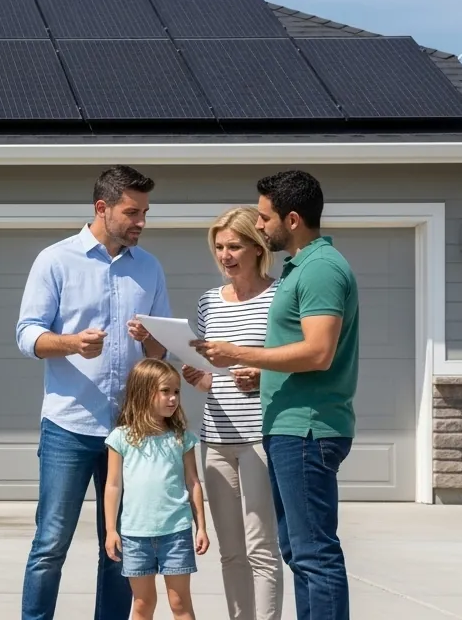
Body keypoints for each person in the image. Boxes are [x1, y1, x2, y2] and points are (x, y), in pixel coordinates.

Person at [192, 170, 359, 620]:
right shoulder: (302, 269)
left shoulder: (320, 269)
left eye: (264, 218)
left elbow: (319, 352)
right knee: (299, 552)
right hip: (287, 426)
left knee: (312, 553)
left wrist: (237, 354)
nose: (260, 227)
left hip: (306, 425)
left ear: (291, 219)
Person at [16, 164, 172, 620]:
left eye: (145, 212)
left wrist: (150, 336)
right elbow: (27, 335)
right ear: (101, 209)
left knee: (120, 548)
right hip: (69, 426)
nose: (141, 221)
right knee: (50, 544)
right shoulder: (55, 260)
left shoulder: (150, 267)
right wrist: (71, 344)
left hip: (130, 434)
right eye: (132, 212)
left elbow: (161, 349)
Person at [182, 206, 283, 620]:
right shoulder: (209, 302)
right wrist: (197, 377)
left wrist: (262, 376)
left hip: (260, 438)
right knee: (231, 552)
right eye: (219, 247)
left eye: (234, 246)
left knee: (262, 549)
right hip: (216, 440)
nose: (225, 255)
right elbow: (212, 378)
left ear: (257, 248)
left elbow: (289, 362)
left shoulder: (279, 297)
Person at [103, 358, 209, 620]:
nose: (173, 398)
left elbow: (193, 482)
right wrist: (110, 530)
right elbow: (113, 485)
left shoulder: (181, 437)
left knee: (179, 603)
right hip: (135, 535)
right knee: (142, 603)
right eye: (165, 391)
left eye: (176, 392)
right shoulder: (121, 437)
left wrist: (202, 527)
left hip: (176, 532)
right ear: (143, 392)